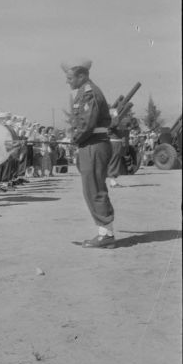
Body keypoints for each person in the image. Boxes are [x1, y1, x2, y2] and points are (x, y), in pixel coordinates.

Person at [62, 58, 115, 249]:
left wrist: (74, 138)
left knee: (94, 188)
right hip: (90, 144)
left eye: (70, 78)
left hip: (93, 144)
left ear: (82, 76)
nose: (67, 81)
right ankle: (105, 232)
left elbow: (87, 123)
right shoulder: (84, 92)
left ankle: (106, 234)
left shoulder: (88, 92)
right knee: (91, 187)